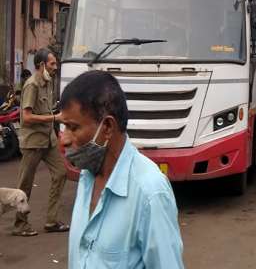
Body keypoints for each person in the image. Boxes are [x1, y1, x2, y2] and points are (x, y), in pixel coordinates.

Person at [59, 71, 184, 268]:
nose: (64, 139)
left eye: (73, 128)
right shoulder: (87, 175)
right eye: (63, 127)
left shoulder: (150, 193)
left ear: (107, 127)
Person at [13, 49, 68, 237]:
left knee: (61, 173)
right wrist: (54, 117)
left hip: (48, 140)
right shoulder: (32, 85)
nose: (55, 67)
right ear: (42, 65)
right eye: (52, 64)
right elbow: (26, 118)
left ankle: (52, 221)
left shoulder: (48, 82)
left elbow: (46, 110)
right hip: (33, 142)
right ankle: (20, 224)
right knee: (25, 184)